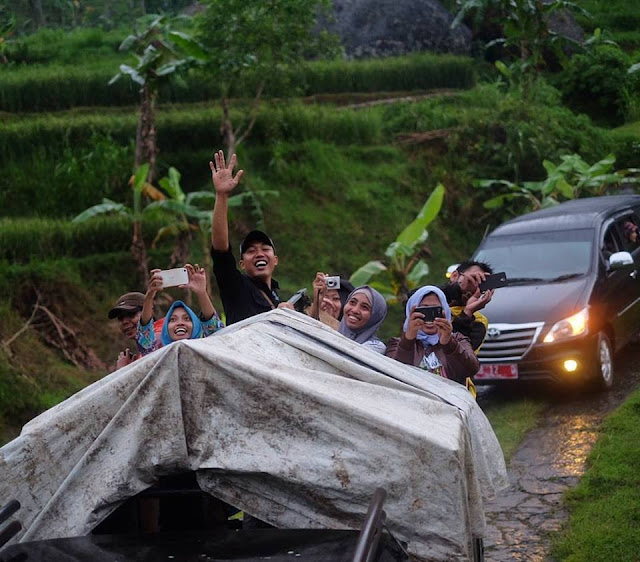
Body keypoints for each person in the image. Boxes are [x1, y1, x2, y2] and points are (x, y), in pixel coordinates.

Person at [209, 150, 292, 324]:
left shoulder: (277, 298)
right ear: (242, 264)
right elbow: (220, 250)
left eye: (265, 249)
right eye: (251, 251)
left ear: (275, 259)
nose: (259, 253)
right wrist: (221, 196)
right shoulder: (236, 286)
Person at [386, 286, 479, 386]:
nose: (430, 319)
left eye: (435, 311)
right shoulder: (396, 344)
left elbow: (470, 370)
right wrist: (408, 340)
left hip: (449, 400)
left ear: (445, 312)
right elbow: (394, 375)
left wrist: (448, 343)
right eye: (423, 310)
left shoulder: (458, 339)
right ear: (411, 312)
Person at [136, 264, 224, 355]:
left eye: (187, 318)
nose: (180, 323)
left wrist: (201, 292)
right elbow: (145, 338)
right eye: (172, 319)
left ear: (196, 326)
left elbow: (215, 330)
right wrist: (149, 296)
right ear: (165, 329)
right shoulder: (157, 357)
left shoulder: (210, 350)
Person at [441, 260, 494, 352]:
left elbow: (460, 353)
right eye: (472, 279)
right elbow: (411, 298)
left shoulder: (479, 321)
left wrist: (467, 313)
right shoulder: (434, 300)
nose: (473, 285)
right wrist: (457, 288)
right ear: (454, 276)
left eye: (480, 283)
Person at [338, 285, 387, 354]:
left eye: (364, 307)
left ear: (375, 316)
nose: (355, 310)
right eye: (352, 302)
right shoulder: (333, 332)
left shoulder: (375, 347)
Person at [108, 291, 147, 369]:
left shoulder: (161, 342)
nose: (124, 322)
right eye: (120, 318)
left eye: (131, 314)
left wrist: (123, 372)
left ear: (149, 311)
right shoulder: (144, 349)